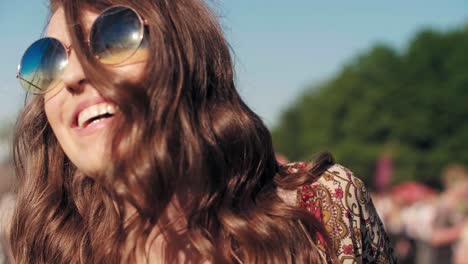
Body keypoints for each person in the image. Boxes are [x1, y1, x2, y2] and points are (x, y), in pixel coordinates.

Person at [9, 0, 396, 263]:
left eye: (112, 37)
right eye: (49, 59)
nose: (74, 76)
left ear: (184, 51)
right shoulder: (47, 249)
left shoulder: (325, 207)